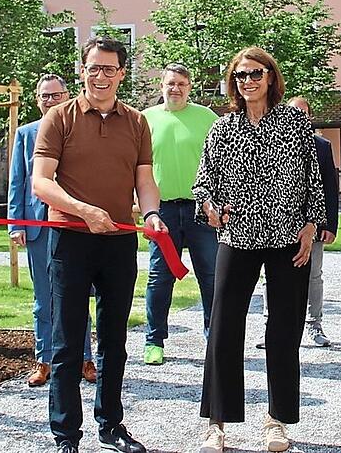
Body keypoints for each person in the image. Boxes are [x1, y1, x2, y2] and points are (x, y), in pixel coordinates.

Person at [32, 37, 165, 453]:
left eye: (109, 68)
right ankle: (65, 435)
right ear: (82, 71)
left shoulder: (137, 122)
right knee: (67, 343)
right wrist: (83, 210)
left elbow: (144, 179)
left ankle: (111, 426)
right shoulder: (59, 117)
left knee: (114, 341)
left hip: (119, 241)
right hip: (70, 241)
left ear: (122, 74)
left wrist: (151, 213)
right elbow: (41, 182)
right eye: (93, 68)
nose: (101, 76)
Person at [194, 47, 325, 453]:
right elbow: (203, 184)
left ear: (270, 77)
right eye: (239, 76)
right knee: (224, 329)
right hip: (238, 238)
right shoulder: (222, 128)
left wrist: (312, 225)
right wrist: (210, 207)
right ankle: (217, 423)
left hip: (288, 240)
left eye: (254, 73)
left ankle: (277, 420)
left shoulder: (295, 124)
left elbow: (314, 182)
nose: (246, 81)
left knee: (283, 332)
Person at [8, 74, 94, 387]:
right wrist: (16, 223)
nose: (50, 101)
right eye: (45, 96)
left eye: (56, 95)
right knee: (44, 299)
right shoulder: (25, 133)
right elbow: (18, 180)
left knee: (76, 293)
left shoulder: (79, 128)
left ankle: (85, 358)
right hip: (38, 227)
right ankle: (44, 360)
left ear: (67, 97)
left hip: (72, 223)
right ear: (37, 100)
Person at [141, 64, 219, 365]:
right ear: (162, 85)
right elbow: (136, 165)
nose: (176, 89)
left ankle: (215, 337)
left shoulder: (207, 118)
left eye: (182, 84)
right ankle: (154, 340)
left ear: (190, 87)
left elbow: (220, 161)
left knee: (210, 276)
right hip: (162, 212)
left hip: (200, 208)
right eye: (171, 83)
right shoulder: (145, 119)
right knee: (160, 277)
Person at [287, 96, 339, 347]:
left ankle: (314, 325)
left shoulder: (321, 146)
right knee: (272, 276)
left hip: (313, 223)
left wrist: (329, 224)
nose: (298, 118)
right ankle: (272, 324)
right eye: (293, 112)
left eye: (303, 113)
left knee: (314, 275)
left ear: (309, 117)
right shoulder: (275, 144)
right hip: (280, 223)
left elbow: (330, 186)